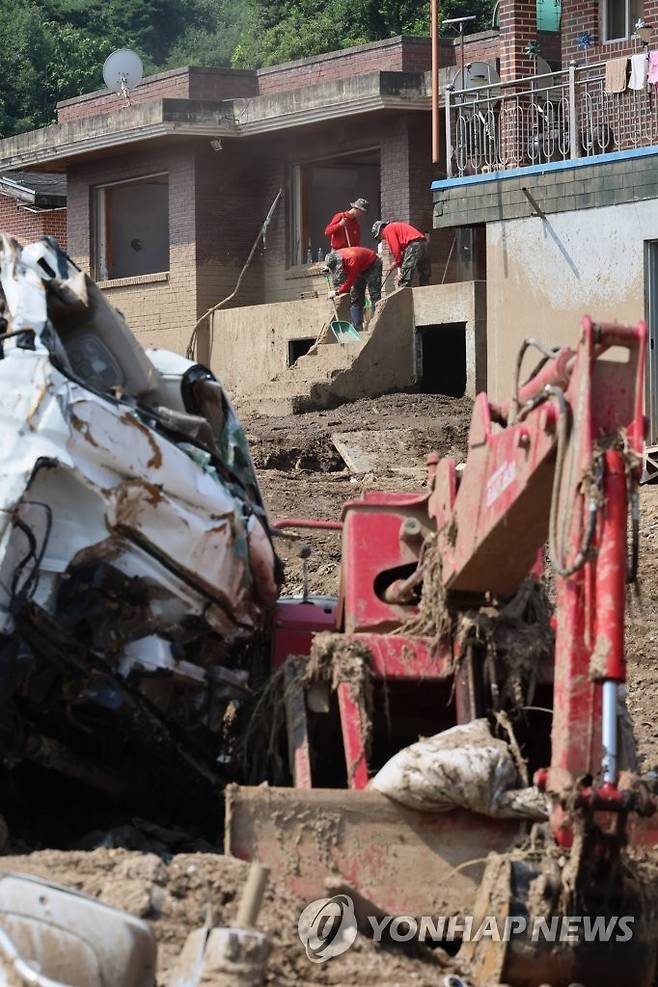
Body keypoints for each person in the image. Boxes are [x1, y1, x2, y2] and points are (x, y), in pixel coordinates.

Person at [323, 246, 382, 330]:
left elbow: (350, 281)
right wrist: (328, 268)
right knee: (355, 297)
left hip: (372, 264)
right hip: (359, 266)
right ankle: (357, 327)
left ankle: (375, 326)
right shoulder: (335, 257)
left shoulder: (351, 260)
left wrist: (337, 292)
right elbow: (337, 273)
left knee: (374, 295)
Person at [371, 220, 431, 287]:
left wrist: (399, 268)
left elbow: (396, 249)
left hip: (413, 245)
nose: (382, 238)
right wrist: (396, 263)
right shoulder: (395, 227)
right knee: (424, 273)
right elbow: (403, 251)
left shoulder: (387, 229)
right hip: (423, 243)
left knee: (404, 277)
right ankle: (424, 292)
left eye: (379, 236)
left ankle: (403, 295)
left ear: (380, 230)